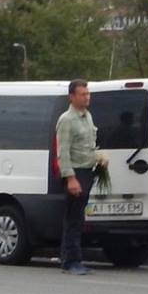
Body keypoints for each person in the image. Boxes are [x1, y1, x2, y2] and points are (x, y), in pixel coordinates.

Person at [54, 78, 107, 274]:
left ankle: (71, 258)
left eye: (88, 93)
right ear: (72, 97)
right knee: (73, 218)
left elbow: (89, 143)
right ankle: (70, 261)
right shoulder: (67, 120)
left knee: (78, 217)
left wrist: (98, 157)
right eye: (82, 94)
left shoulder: (87, 116)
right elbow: (63, 152)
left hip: (87, 171)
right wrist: (70, 178)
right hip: (75, 173)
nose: (87, 97)